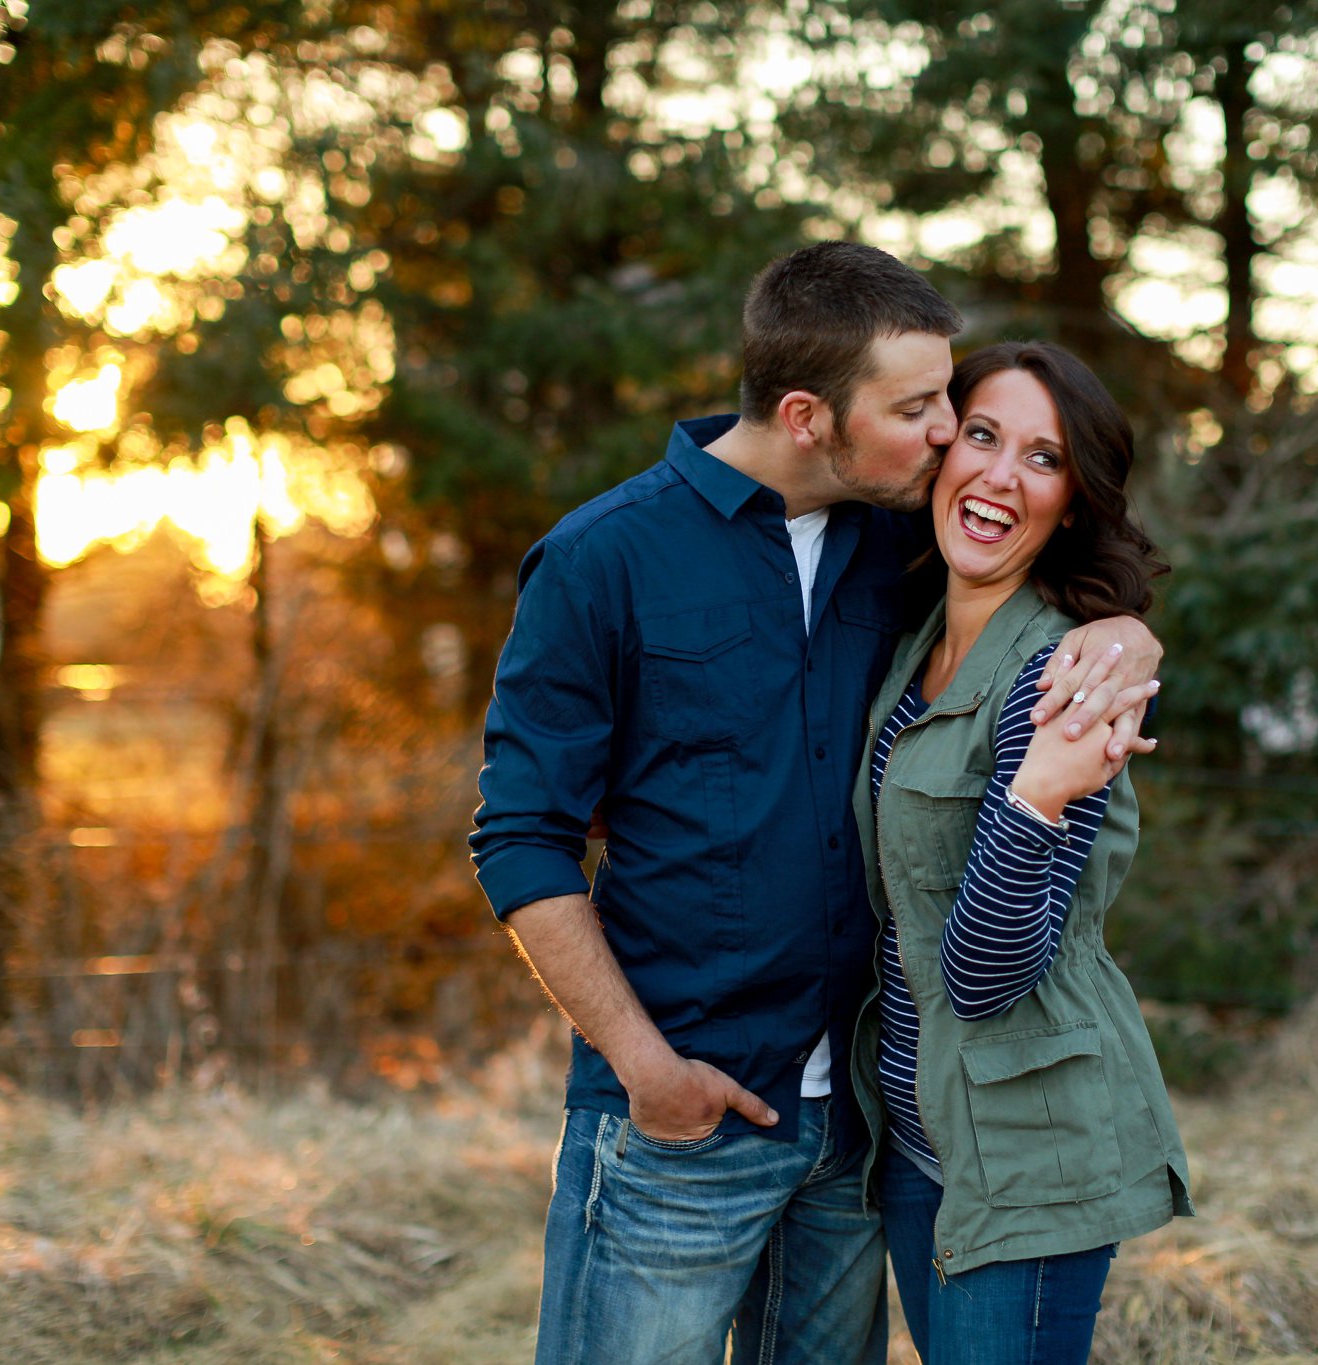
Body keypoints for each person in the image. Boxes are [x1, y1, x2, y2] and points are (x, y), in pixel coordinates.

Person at [466, 243, 1163, 1365]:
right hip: (679, 1119)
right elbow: (520, 840)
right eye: (920, 408)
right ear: (807, 414)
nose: (948, 435)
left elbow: (1045, 566)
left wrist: (1124, 635)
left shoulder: (895, 542)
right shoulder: (605, 560)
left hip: (856, 1136)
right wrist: (649, 1073)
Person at [850, 341, 1193, 1365]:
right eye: (984, 436)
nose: (1000, 475)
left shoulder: (1063, 674)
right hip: (919, 1135)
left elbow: (986, 974)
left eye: (1041, 459)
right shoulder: (917, 640)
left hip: (1023, 1148)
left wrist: (1040, 791)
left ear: (1073, 502)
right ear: (941, 452)